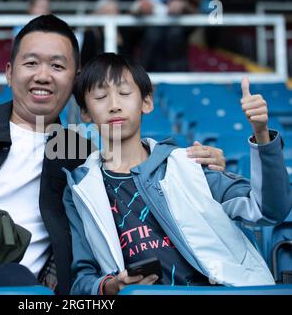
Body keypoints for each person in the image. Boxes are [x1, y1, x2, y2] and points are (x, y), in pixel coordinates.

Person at [0, 15, 225, 294]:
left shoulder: (80, 151)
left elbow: (137, 169)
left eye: (57, 66)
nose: (43, 75)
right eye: (31, 64)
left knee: (18, 287)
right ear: (10, 73)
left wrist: (195, 166)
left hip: (15, 281)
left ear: (75, 81)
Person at [63, 52, 292, 295]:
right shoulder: (80, 190)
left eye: (125, 93)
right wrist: (112, 286)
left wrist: (261, 134)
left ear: (147, 102)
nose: (114, 105)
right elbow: (82, 280)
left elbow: (268, 210)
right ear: (85, 113)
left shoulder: (188, 164)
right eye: (100, 96)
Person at [130, 0, 201, 72]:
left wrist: (185, 6)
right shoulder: (144, 2)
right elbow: (130, 16)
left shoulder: (184, 0)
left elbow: (199, 19)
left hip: (178, 71)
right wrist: (138, 7)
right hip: (147, 71)